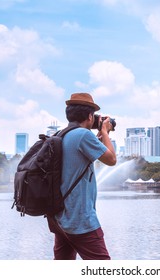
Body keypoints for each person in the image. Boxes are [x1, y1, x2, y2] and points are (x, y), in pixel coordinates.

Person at [47, 92, 116, 260]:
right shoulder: (83, 135)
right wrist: (105, 132)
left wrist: (100, 137)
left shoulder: (61, 135)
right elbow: (111, 159)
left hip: (60, 219)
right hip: (80, 220)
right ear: (90, 116)